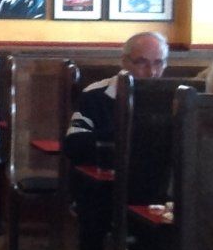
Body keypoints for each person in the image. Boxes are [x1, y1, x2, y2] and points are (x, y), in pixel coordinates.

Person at [64, 32, 169, 165]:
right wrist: (126, 136)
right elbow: (74, 144)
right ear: (124, 61)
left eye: (158, 63)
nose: (152, 72)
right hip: (108, 175)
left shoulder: (173, 98)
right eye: (142, 63)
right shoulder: (96, 94)